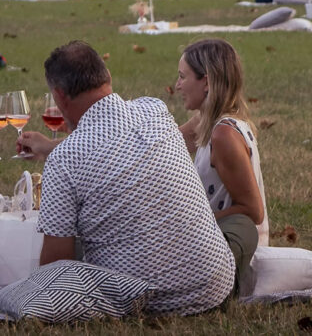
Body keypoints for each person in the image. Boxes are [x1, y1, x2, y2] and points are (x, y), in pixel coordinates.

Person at [16, 42, 234, 316]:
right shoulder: (154, 111)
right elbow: (111, 143)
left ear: (59, 97)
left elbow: (56, 266)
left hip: (145, 302)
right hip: (215, 283)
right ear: (107, 77)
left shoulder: (65, 159)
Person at [174, 40, 267, 296]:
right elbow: (159, 146)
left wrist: (189, 224)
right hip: (216, 243)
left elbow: (253, 211)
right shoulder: (206, 120)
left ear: (206, 82)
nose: (178, 85)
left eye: (183, 77)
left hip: (232, 255)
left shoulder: (223, 134)